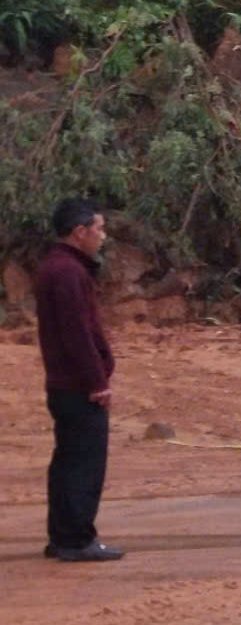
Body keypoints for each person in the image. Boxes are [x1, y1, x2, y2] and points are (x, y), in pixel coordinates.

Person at [36, 198, 123, 561]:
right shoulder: (67, 272)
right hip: (76, 386)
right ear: (80, 231)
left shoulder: (57, 267)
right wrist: (96, 381)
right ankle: (76, 539)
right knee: (83, 464)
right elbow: (76, 334)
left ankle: (63, 536)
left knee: (68, 460)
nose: (103, 236)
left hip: (64, 383)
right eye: (99, 229)